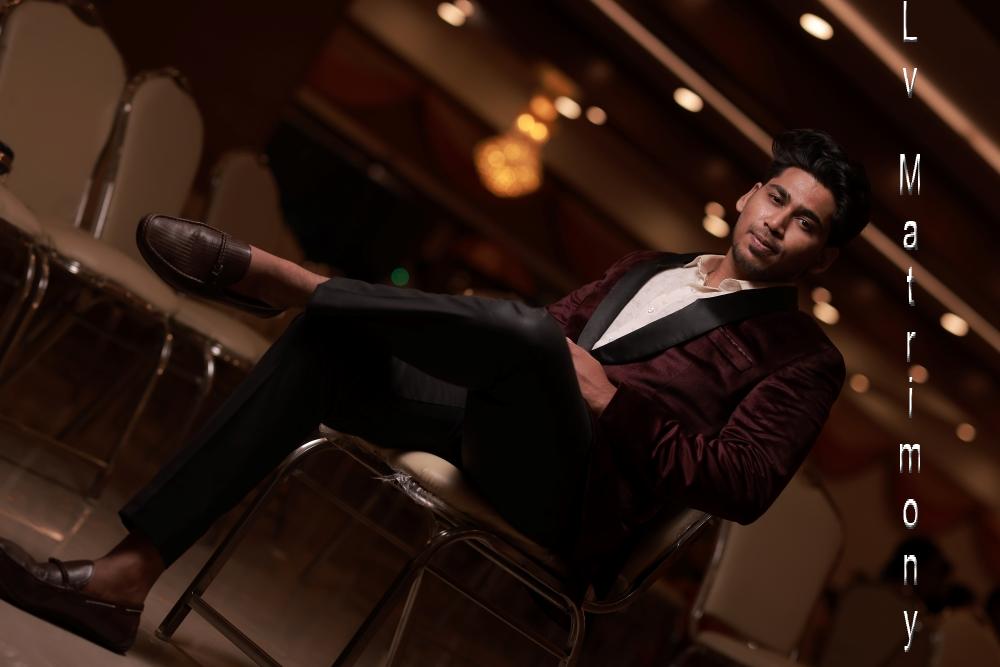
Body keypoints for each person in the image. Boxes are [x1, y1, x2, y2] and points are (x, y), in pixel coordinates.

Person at [0, 129, 870, 653]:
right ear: (748, 193)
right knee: (332, 346)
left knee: (528, 332)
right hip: (498, 423)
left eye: (805, 224)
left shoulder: (803, 358)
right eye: (776, 197)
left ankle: (296, 282)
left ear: (821, 258)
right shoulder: (652, 266)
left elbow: (742, 482)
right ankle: (124, 577)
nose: (777, 224)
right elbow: (541, 336)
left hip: (577, 499)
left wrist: (614, 402)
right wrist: (538, 353)